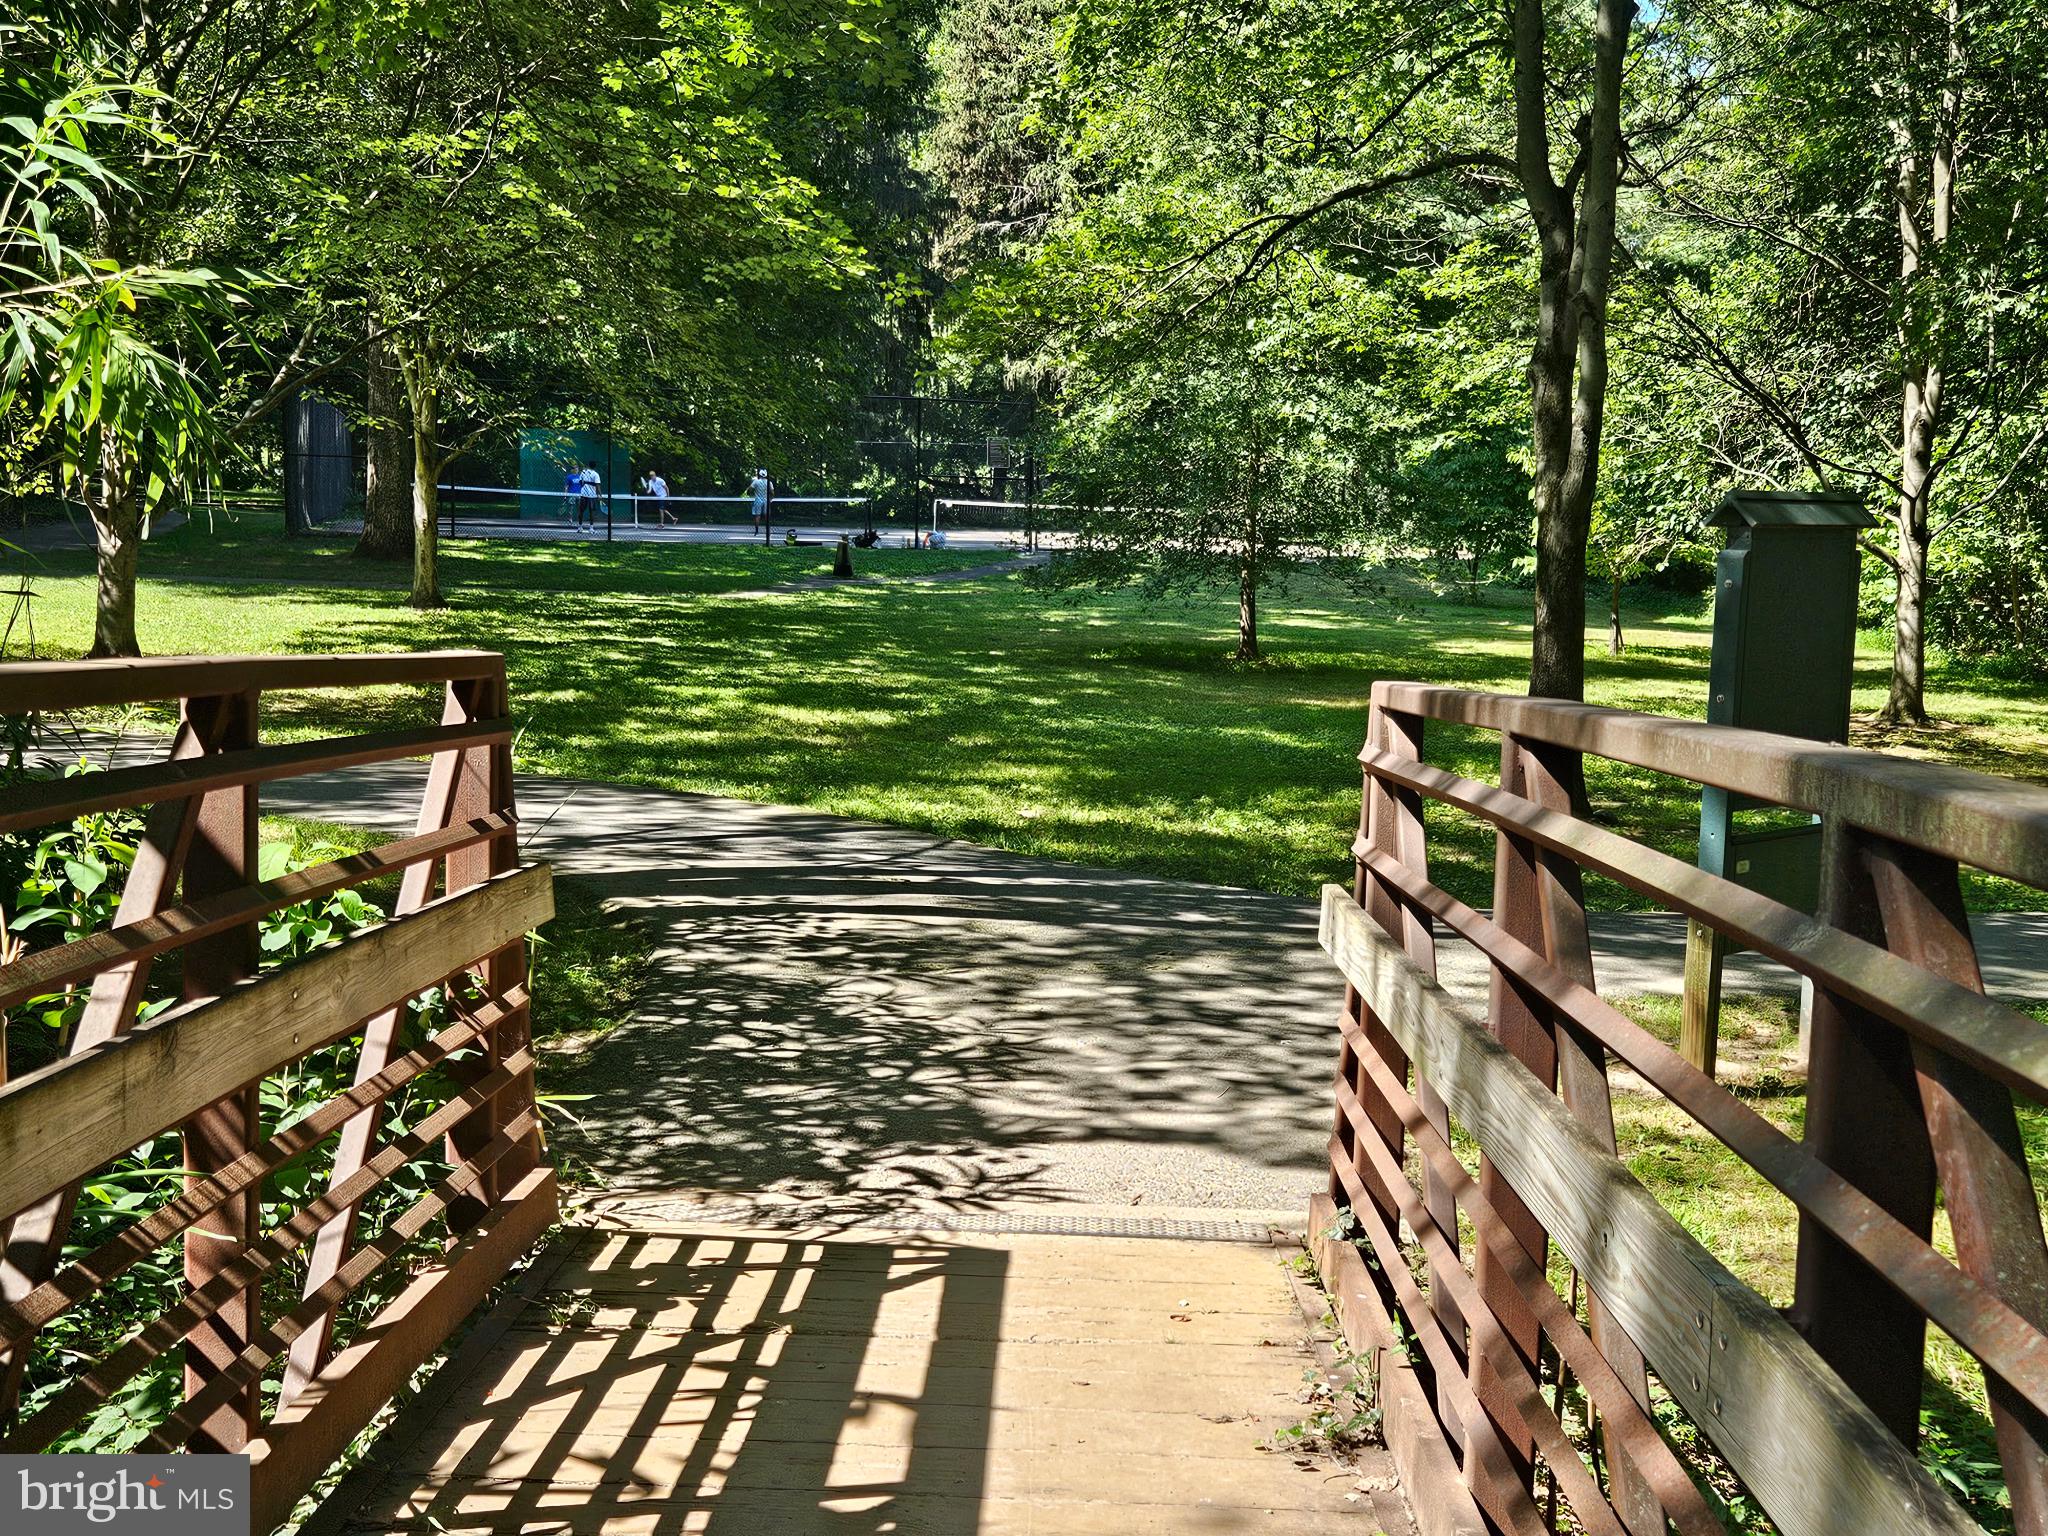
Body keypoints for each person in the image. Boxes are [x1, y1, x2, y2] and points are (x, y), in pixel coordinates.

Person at [577, 461, 601, 530]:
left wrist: (585, 485)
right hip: (592, 496)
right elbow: (598, 486)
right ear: (595, 466)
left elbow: (580, 483)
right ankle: (591, 528)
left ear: (588, 465)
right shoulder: (596, 474)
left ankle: (580, 527)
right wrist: (600, 495)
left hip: (583, 495)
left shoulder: (583, 472)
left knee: (581, 511)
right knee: (591, 512)